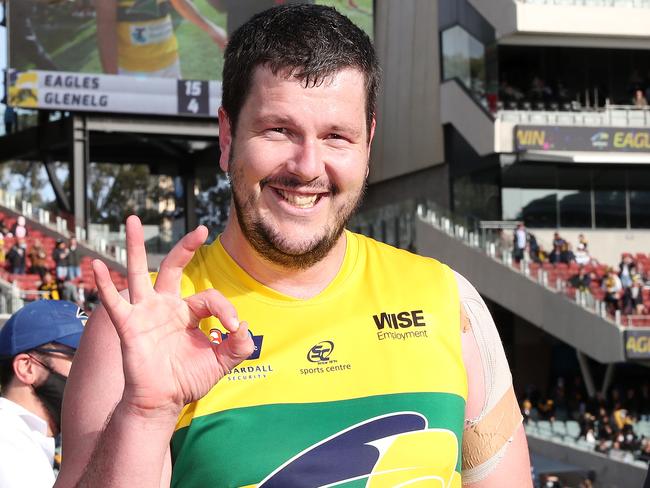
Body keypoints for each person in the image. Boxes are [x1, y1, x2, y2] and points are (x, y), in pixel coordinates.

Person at [57, 5, 531, 488]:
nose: (307, 166)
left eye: (336, 137)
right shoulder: (139, 328)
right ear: (227, 137)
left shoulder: (450, 302)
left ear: (368, 143)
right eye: (279, 130)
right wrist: (145, 414)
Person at [0, 300, 87, 487]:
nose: (91, 370)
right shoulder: (7, 441)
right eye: (78, 358)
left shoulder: (27, 436)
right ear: (27, 368)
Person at [96, 0, 227, 77]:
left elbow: (180, 3)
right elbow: (106, 25)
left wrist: (211, 29)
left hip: (170, 64)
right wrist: (112, 78)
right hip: (131, 70)